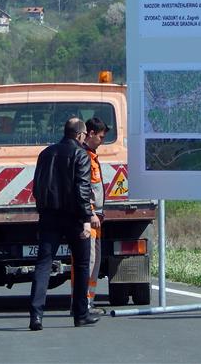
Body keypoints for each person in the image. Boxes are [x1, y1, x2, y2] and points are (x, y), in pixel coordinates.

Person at [28, 118, 99, 330]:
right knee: (81, 264)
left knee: (43, 264)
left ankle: (36, 316)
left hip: (49, 217)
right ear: (79, 135)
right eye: (85, 134)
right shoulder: (81, 155)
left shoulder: (45, 154)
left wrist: (43, 209)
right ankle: (80, 314)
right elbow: (82, 190)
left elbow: (37, 187)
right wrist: (86, 220)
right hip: (74, 217)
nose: (86, 138)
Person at [82, 117, 110, 314]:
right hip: (89, 218)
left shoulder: (92, 156)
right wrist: (90, 212)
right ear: (91, 133)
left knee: (95, 260)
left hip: (96, 218)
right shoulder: (83, 156)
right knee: (88, 259)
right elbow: (83, 189)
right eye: (100, 137)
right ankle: (82, 302)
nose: (102, 141)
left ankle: (89, 301)